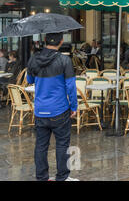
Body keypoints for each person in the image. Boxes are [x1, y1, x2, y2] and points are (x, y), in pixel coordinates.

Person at [26, 32, 78, 181]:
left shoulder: (34, 59)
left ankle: (42, 177)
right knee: (62, 145)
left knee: (41, 146)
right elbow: (71, 87)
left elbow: (29, 79)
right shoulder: (64, 60)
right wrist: (74, 107)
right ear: (61, 42)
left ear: (44, 40)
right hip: (60, 110)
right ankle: (62, 177)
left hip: (40, 110)